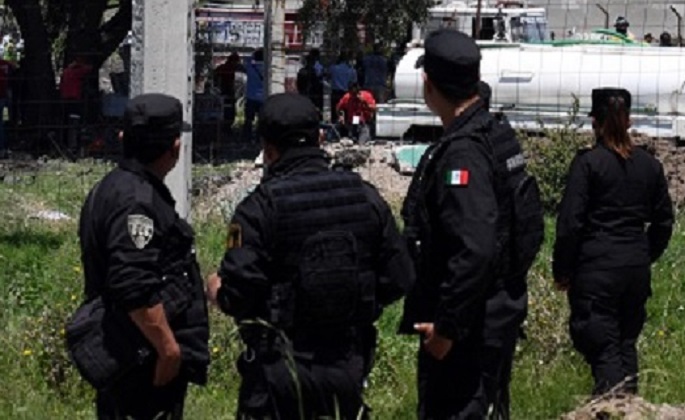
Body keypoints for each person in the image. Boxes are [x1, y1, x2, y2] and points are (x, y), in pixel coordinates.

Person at [206, 92, 414, 419]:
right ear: (320, 138)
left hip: (279, 373)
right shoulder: (366, 197)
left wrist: (216, 289)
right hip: (347, 367)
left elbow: (239, 295)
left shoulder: (255, 210)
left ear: (268, 150)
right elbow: (399, 278)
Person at [78, 93, 210, 419]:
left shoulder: (116, 187)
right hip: (140, 361)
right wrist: (168, 349)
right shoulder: (136, 201)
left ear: (123, 137)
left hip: (129, 353)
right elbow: (132, 284)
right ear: (175, 147)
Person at [398, 28, 499, 419]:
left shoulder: (463, 154)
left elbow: (475, 247)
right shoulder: (491, 133)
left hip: (462, 334)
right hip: (486, 317)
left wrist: (447, 328)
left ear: (428, 84)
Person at [553, 87, 674, 396]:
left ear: (595, 122)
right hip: (634, 269)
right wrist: (643, 254)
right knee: (625, 343)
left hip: (596, 271)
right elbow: (664, 221)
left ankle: (612, 409)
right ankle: (630, 407)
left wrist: (563, 270)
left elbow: (570, 224)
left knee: (603, 347)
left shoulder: (588, 164)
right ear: (629, 120)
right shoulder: (649, 166)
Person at [477, 81, 544, 420]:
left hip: (482, 298)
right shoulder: (505, 141)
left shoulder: (473, 150)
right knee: (498, 390)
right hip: (509, 290)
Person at [214, 52, 244, 129]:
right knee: (230, 109)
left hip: (224, 90)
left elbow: (215, 74)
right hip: (228, 90)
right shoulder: (233, 68)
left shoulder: (223, 67)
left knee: (224, 108)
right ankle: (228, 125)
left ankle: (225, 124)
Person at [242, 48, 265, 142]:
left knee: (248, 119)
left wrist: (252, 57)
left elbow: (245, 60)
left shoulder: (250, 67)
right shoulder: (267, 68)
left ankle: (247, 138)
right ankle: (259, 139)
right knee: (262, 120)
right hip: (263, 98)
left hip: (251, 96)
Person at [328, 52, 357, 122]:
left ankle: (334, 125)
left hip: (335, 92)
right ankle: (345, 125)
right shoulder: (351, 70)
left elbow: (328, 76)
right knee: (346, 112)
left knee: (334, 112)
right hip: (346, 93)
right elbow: (353, 82)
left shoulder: (333, 68)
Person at [0, 56, 14, 158]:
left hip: (3, 98)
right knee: (3, 123)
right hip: (4, 98)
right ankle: (3, 148)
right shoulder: (6, 64)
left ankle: (3, 148)